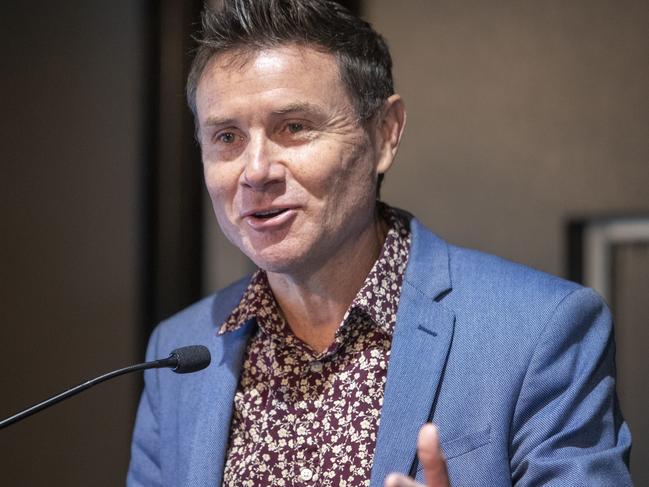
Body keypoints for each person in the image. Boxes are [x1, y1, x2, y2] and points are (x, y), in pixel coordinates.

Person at [127, 1, 632, 486]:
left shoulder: (537, 330)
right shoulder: (177, 350)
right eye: (227, 138)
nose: (256, 171)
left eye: (295, 127)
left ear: (384, 135)